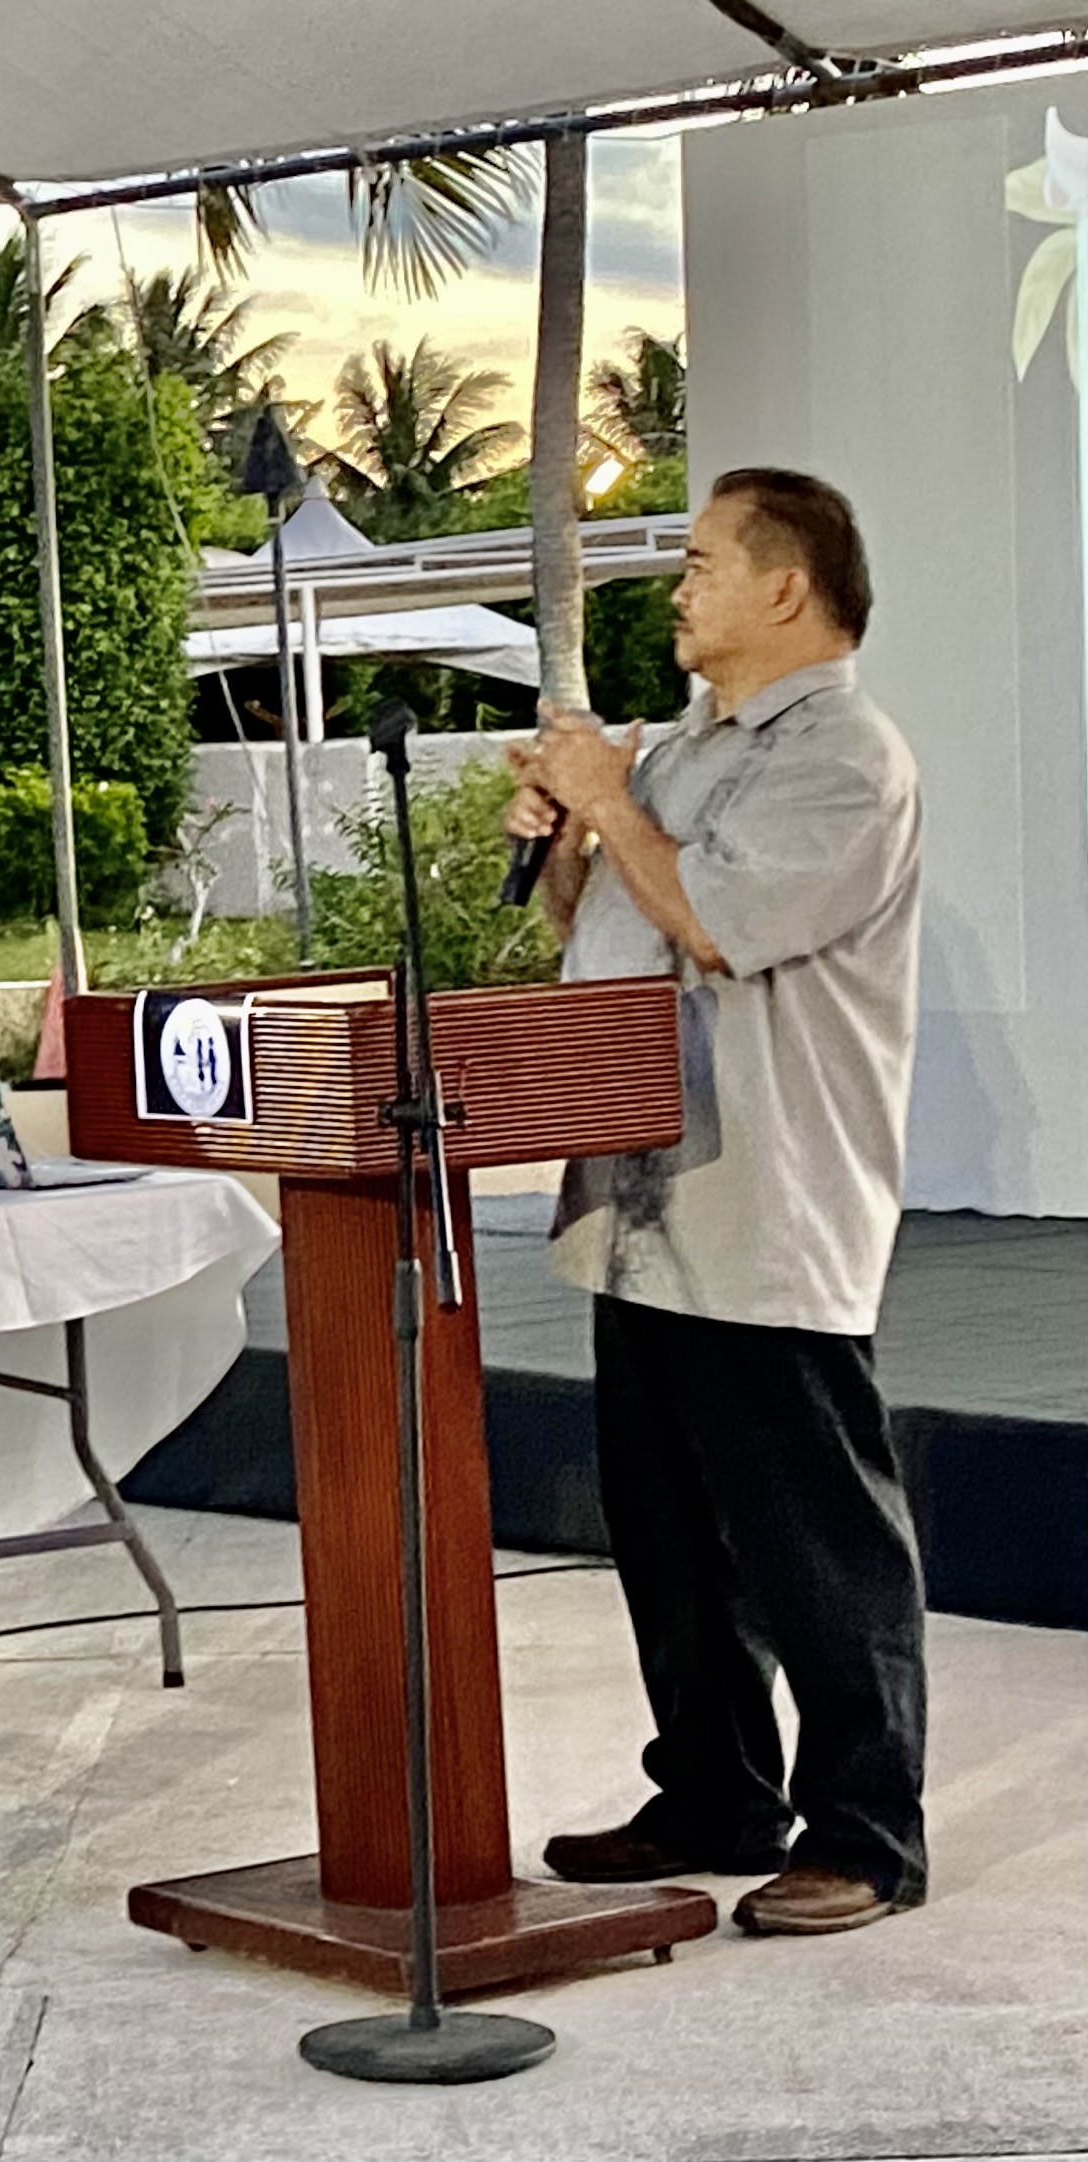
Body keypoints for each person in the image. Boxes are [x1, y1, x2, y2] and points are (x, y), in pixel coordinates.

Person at [506, 467, 928, 1938]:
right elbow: (613, 926)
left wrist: (613, 801)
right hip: (642, 1196)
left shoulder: (845, 759)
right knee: (669, 1526)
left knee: (815, 1532)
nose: (675, 587)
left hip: (767, 1199)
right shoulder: (688, 751)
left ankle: (867, 1829)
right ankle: (713, 1790)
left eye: (697, 563)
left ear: (784, 589)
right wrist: (571, 838)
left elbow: (717, 926)